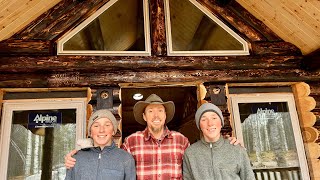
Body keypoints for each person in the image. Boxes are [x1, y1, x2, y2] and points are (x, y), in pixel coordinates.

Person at [65, 94, 241, 180]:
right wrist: (76, 156)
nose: (155, 115)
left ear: (166, 115)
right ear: (144, 116)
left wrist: (227, 145)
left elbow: (200, 159)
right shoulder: (131, 142)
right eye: (150, 111)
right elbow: (108, 158)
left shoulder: (181, 141)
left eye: (159, 111)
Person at [183, 103, 255, 180]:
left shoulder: (237, 150)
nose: (210, 123)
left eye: (214, 118)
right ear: (199, 126)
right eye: (204, 119)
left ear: (221, 123)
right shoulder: (190, 153)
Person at [65, 109, 136, 180]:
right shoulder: (75, 159)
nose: (101, 130)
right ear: (91, 133)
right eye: (96, 126)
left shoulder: (125, 159)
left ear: (113, 131)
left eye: (107, 125)